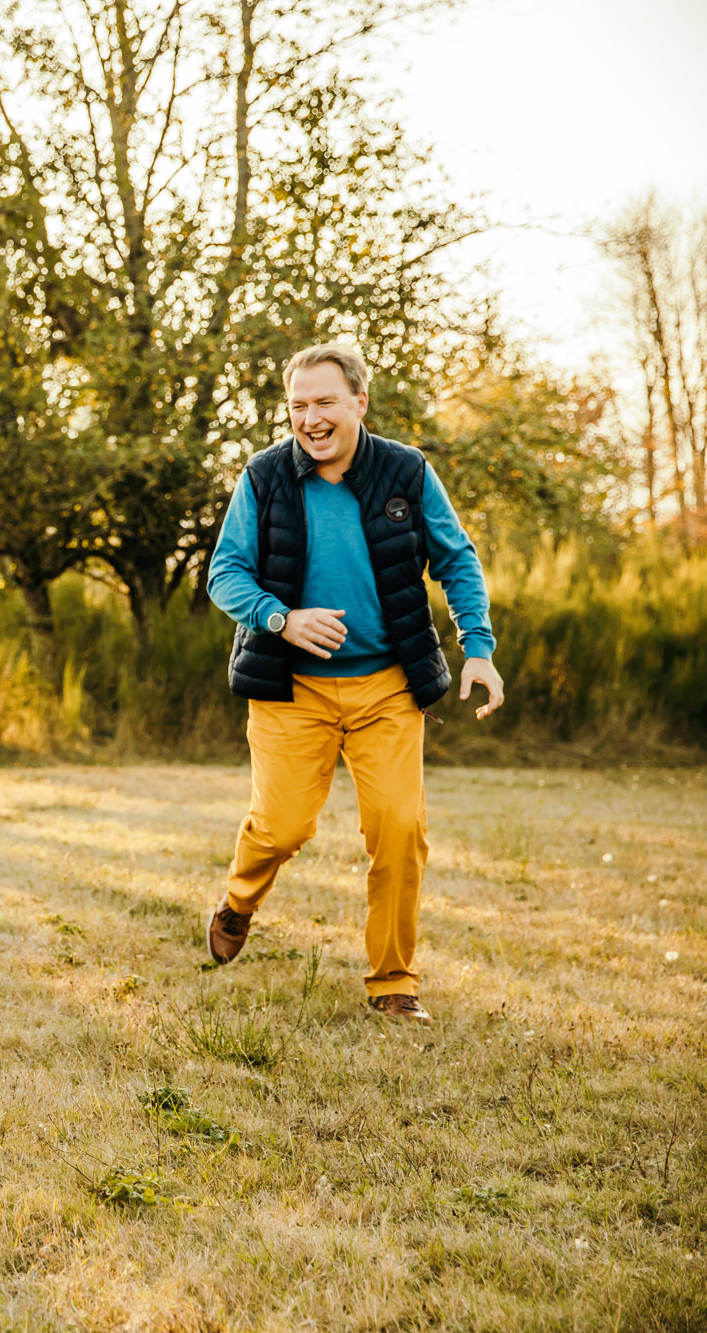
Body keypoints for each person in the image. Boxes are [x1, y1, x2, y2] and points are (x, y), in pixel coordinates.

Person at [204, 343, 505, 1025]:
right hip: (291, 690)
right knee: (280, 827)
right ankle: (238, 900)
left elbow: (457, 560)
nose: (311, 418)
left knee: (400, 828)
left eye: (325, 402)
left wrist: (478, 648)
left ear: (359, 402)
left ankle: (393, 982)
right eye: (299, 404)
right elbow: (225, 573)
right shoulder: (265, 477)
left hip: (386, 689)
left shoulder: (406, 471)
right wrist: (280, 617)